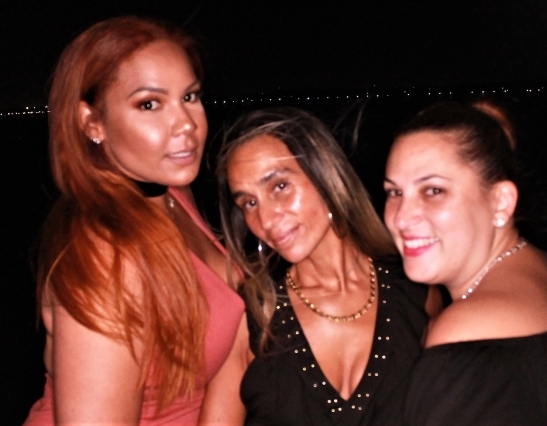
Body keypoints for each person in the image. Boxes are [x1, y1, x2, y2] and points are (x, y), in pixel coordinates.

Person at [23, 16, 245, 425]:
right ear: (92, 122)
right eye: (149, 104)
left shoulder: (169, 195)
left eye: (190, 97)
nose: (186, 124)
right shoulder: (105, 258)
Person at [383, 100, 547, 425]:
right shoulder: (544, 268)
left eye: (433, 190)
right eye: (394, 192)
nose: (401, 218)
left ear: (501, 201)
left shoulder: (465, 342)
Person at [206, 107, 429, 425]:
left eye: (279, 186)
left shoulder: (415, 289)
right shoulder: (252, 315)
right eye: (249, 203)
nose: (265, 220)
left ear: (325, 175)